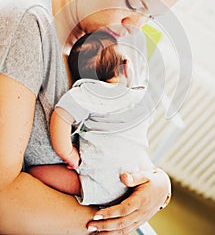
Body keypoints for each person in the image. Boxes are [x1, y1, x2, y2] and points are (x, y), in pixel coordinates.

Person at [0, 0, 197, 233]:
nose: (136, 26)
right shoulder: (26, 25)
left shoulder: (121, 43)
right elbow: (3, 197)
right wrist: (112, 227)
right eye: (134, 5)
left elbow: (118, 143)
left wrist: (157, 185)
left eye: (151, 16)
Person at [28, 30, 156, 206]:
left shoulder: (87, 93)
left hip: (93, 180)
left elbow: (61, 116)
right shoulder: (142, 99)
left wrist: (68, 154)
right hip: (129, 183)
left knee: (35, 172)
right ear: (126, 67)